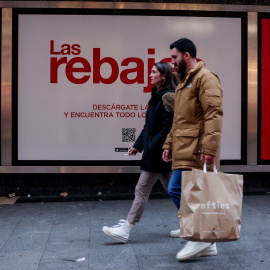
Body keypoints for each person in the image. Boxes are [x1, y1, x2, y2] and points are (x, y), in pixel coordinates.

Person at [102, 62, 178, 243]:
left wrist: (151, 147)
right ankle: (193, 224)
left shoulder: (168, 97)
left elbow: (167, 129)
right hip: (157, 152)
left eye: (154, 72)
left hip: (159, 153)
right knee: (174, 190)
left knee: (142, 189)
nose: (150, 75)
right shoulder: (157, 97)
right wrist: (138, 146)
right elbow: (148, 127)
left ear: (164, 76)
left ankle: (126, 229)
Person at [162, 38, 223, 261]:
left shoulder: (205, 78)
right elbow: (179, 120)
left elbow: (214, 114)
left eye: (174, 57)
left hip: (197, 149)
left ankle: (201, 236)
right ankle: (207, 241)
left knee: (176, 189)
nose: (172, 62)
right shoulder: (183, 83)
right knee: (187, 193)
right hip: (184, 147)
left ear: (186, 56)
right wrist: (168, 144)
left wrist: (210, 147)